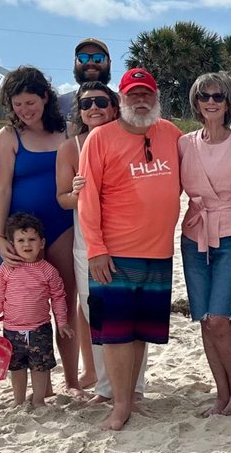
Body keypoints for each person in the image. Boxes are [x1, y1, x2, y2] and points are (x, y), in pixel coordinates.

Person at [77, 67, 183, 431]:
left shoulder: (170, 133)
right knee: (117, 334)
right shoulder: (100, 139)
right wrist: (96, 248)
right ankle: (120, 405)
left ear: (156, 98)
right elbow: (87, 198)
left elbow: (205, 150)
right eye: (133, 94)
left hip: (159, 252)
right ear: (121, 99)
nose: (140, 100)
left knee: (140, 333)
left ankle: (132, 398)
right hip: (115, 253)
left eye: (146, 94)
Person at [0, 66, 84, 394]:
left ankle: (72, 381)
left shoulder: (69, 130)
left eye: (30, 103)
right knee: (24, 305)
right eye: (18, 105)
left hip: (62, 226)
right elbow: (1, 189)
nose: (25, 111)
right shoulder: (7, 137)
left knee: (64, 303)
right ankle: (32, 379)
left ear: (46, 97)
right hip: (23, 234)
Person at [179, 70, 231, 418]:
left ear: (229, 102)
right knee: (203, 319)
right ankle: (221, 393)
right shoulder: (184, 143)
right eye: (204, 96)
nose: (210, 102)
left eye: (218, 96)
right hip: (194, 234)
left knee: (219, 319)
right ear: (196, 102)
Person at [56, 80, 121, 395]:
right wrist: (77, 193)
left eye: (100, 102)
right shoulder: (71, 147)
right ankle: (106, 385)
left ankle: (132, 386)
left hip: (127, 240)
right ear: (79, 111)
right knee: (96, 313)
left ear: (112, 106)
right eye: (86, 104)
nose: (93, 108)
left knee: (127, 314)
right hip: (87, 243)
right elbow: (62, 198)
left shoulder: (128, 138)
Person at [0, 211, 72, 408]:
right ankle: (18, 400)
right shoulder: (5, 270)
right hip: (11, 329)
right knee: (17, 367)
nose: (26, 244)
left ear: (41, 243)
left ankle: (39, 400)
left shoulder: (48, 270)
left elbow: (58, 297)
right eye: (21, 240)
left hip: (39, 329)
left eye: (32, 239)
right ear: (12, 244)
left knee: (40, 367)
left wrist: (62, 322)